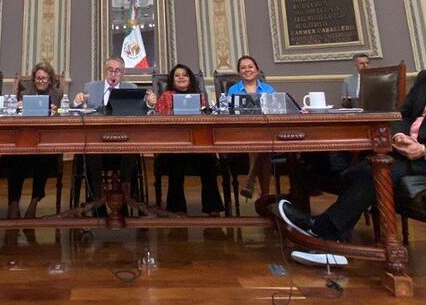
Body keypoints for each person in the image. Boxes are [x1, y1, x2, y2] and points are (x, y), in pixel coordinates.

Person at [276, 29, 426, 267]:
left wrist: (425, 149)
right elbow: (402, 114)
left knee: (376, 172)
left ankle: (324, 232)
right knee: (351, 166)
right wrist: (399, 136)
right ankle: (332, 234)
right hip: (406, 152)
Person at [147, 64, 223, 215]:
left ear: (190, 79)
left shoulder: (200, 97)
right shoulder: (166, 96)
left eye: (185, 75)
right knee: (176, 161)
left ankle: (212, 207)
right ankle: (177, 208)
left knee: (209, 160)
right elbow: (159, 122)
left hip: (197, 145)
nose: (181, 77)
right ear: (172, 80)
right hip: (174, 145)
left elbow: (206, 120)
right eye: (177, 75)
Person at [74, 58, 141, 204]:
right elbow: (78, 110)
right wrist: (77, 102)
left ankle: (125, 196)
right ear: (105, 71)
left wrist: (148, 103)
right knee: (91, 151)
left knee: (133, 150)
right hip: (97, 141)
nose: (113, 74)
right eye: (110, 70)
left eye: (117, 71)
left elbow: (141, 111)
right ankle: (98, 199)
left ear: (122, 73)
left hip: (123, 141)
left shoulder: (131, 88)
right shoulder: (90, 88)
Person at [4, 63, 64, 218]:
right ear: (34, 79)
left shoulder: (57, 94)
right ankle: (14, 203)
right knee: (14, 159)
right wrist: (19, 107)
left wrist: (55, 111)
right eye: (38, 78)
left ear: (50, 80)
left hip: (46, 142)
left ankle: (34, 203)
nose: (41, 81)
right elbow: (14, 116)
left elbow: (62, 116)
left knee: (43, 161)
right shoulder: (25, 92)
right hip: (25, 140)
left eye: (44, 78)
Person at [227, 54, 276, 199]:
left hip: (265, 132)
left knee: (262, 146)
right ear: (239, 72)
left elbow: (275, 111)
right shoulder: (233, 90)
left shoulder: (268, 89)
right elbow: (229, 114)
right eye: (243, 68)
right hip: (241, 132)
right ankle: (265, 195)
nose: (247, 70)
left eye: (250, 67)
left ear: (257, 70)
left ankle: (251, 180)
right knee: (262, 147)